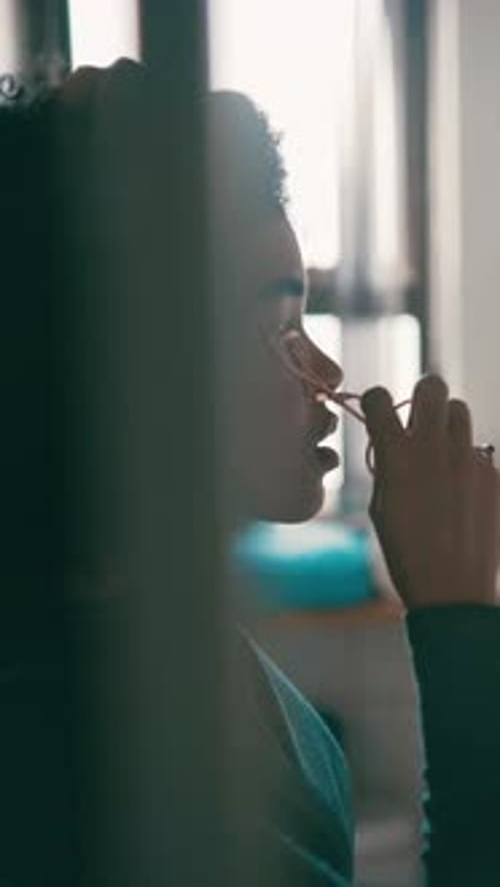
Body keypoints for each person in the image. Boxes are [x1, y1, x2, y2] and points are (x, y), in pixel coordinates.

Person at [2, 61, 500, 886]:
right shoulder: (91, 762)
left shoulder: (173, 634)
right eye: (278, 327)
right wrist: (455, 622)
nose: (328, 369)